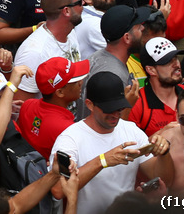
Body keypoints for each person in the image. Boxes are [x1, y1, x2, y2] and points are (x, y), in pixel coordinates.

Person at [49, 70, 174, 214]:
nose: (115, 114)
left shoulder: (131, 131)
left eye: (119, 108)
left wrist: (164, 154)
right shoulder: (70, 139)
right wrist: (102, 161)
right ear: (89, 105)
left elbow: (164, 179)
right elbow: (58, 189)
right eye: (109, 109)